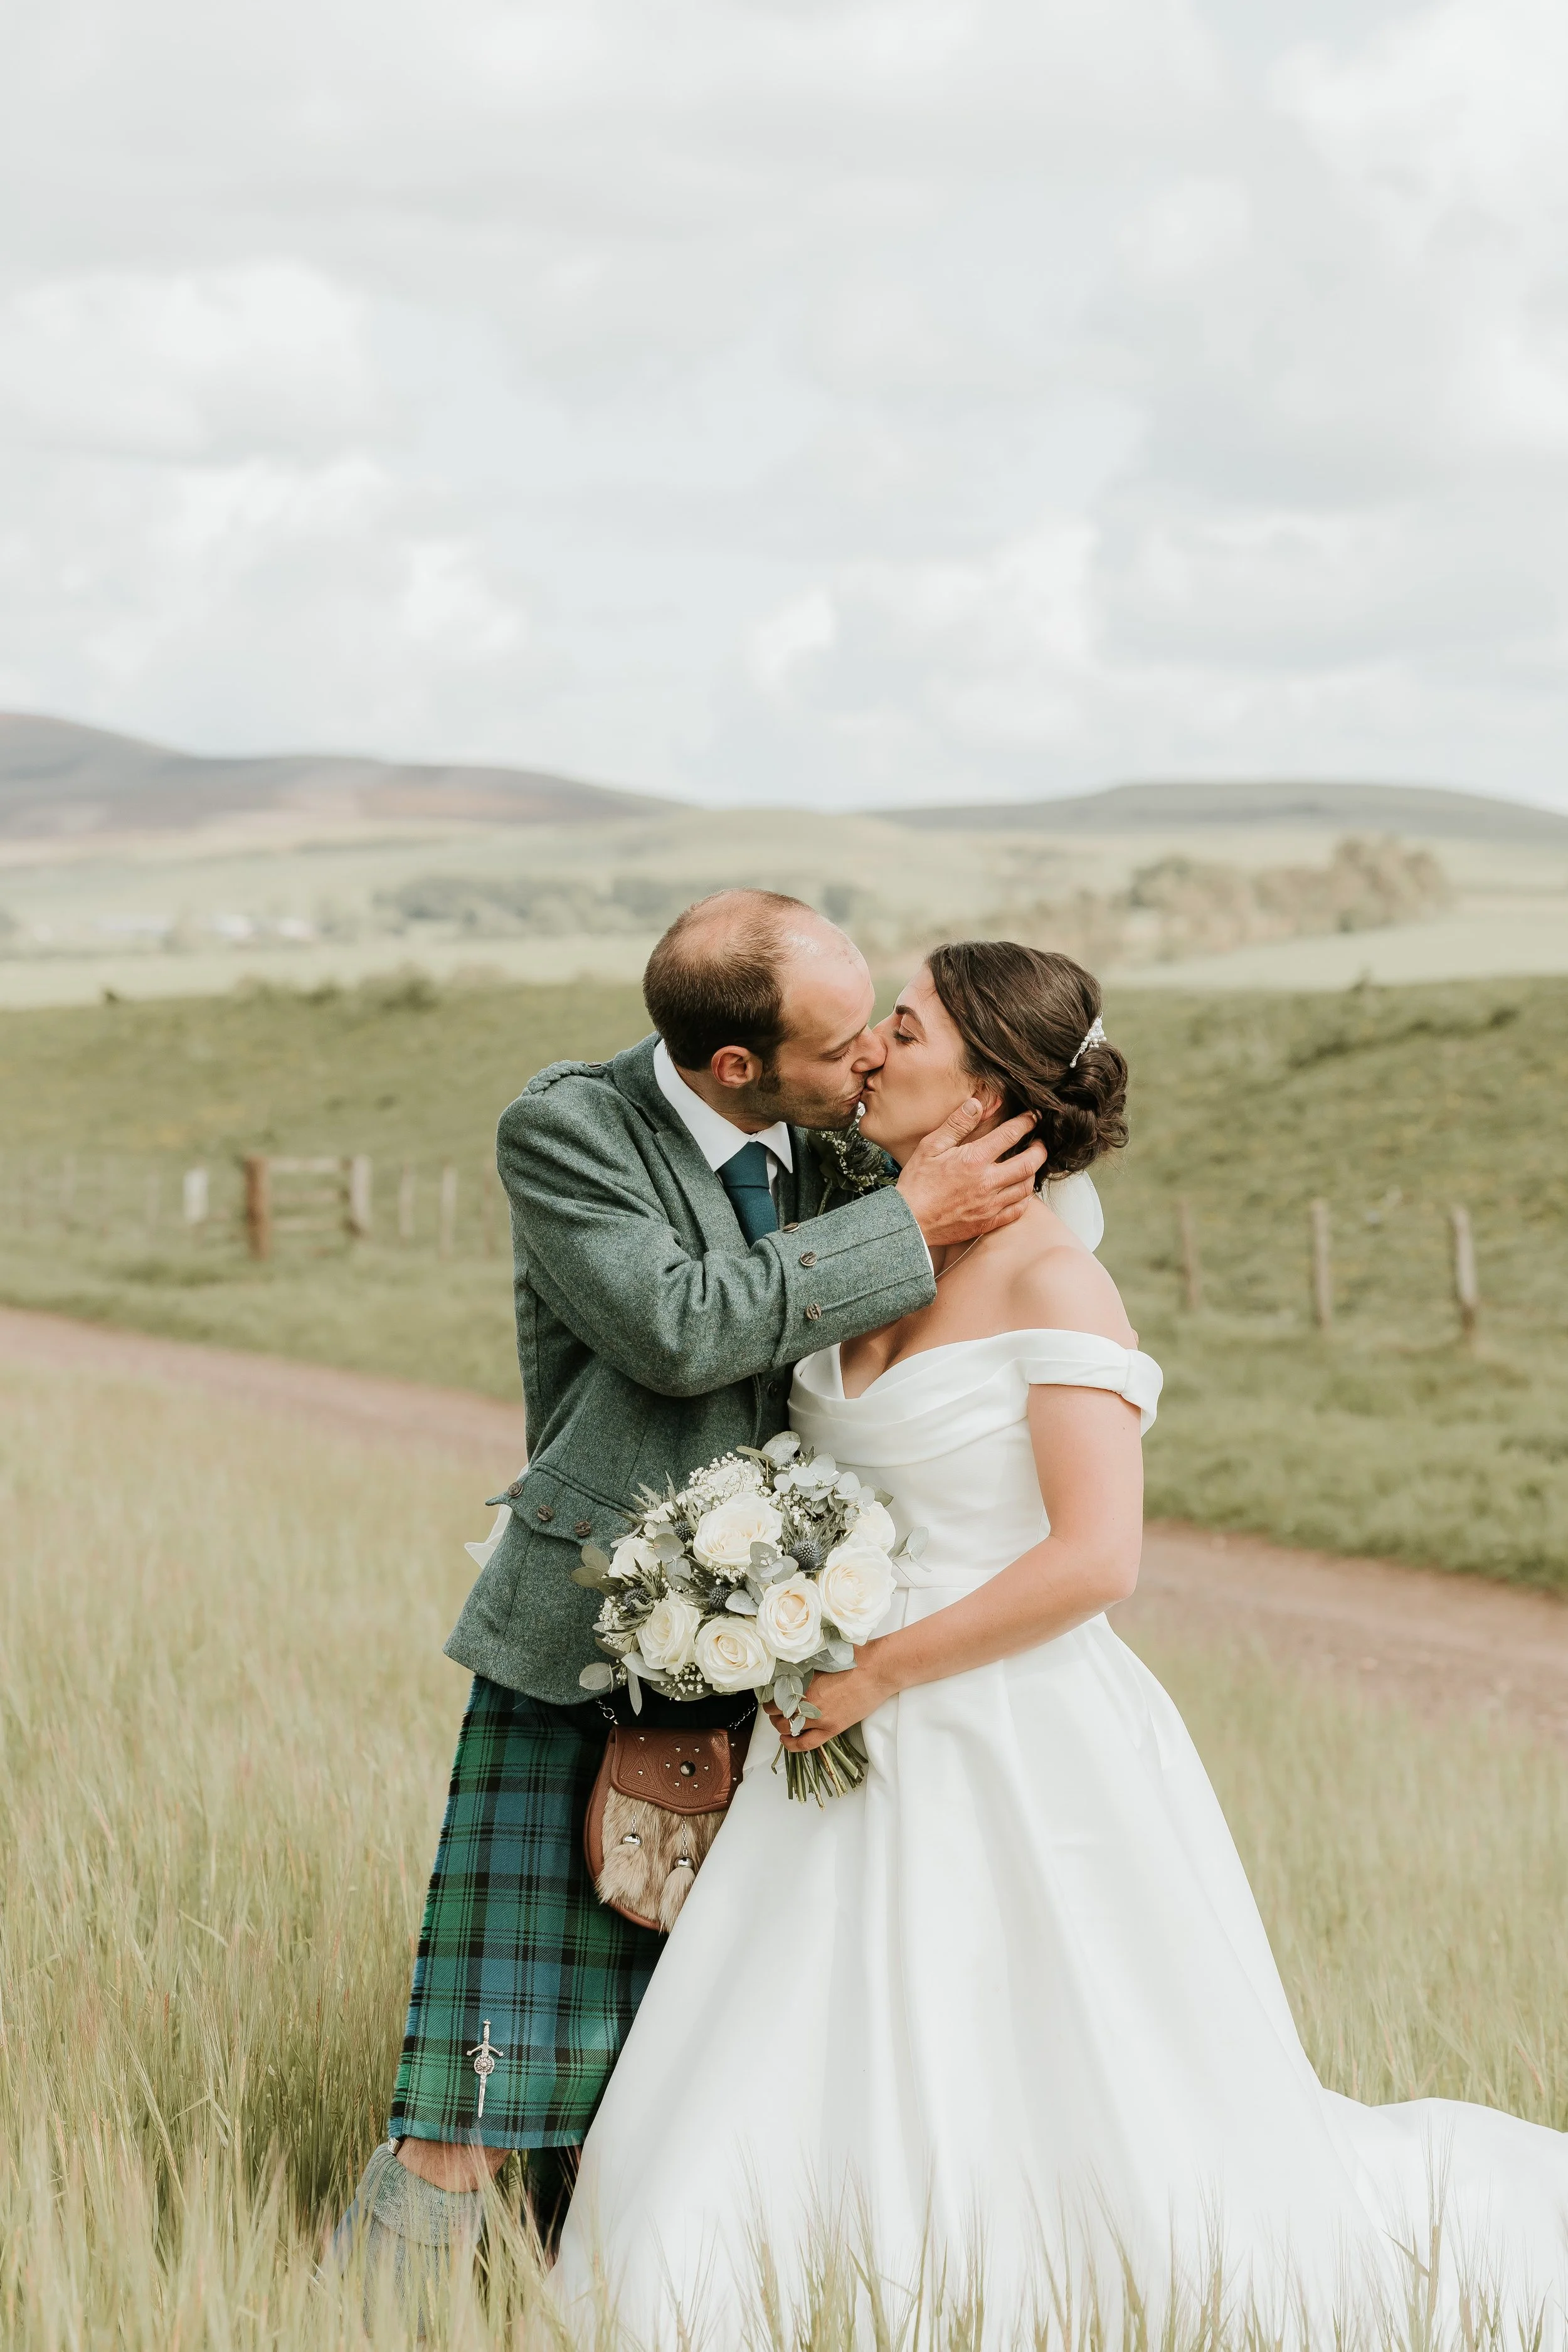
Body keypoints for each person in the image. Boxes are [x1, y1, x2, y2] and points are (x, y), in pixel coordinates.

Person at [552, 940, 1568, 2344]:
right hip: (830, 1723)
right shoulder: (870, 1245)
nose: (868, 1054)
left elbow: (1096, 1558)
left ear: (988, 1095)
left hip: (1002, 1723)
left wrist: (876, 1673)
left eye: (901, 1034)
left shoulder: (1053, 1288)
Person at [331, 893, 1048, 2302]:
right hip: (600, 1643)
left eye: (874, 1036)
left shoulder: (836, 1131)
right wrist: (904, 1221)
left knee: (684, 2079)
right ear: (737, 1065)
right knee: (482, 2085)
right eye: (840, 1046)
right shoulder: (573, 1131)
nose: (865, 1068)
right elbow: (676, 1328)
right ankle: (338, 2323)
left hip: (800, 1664)